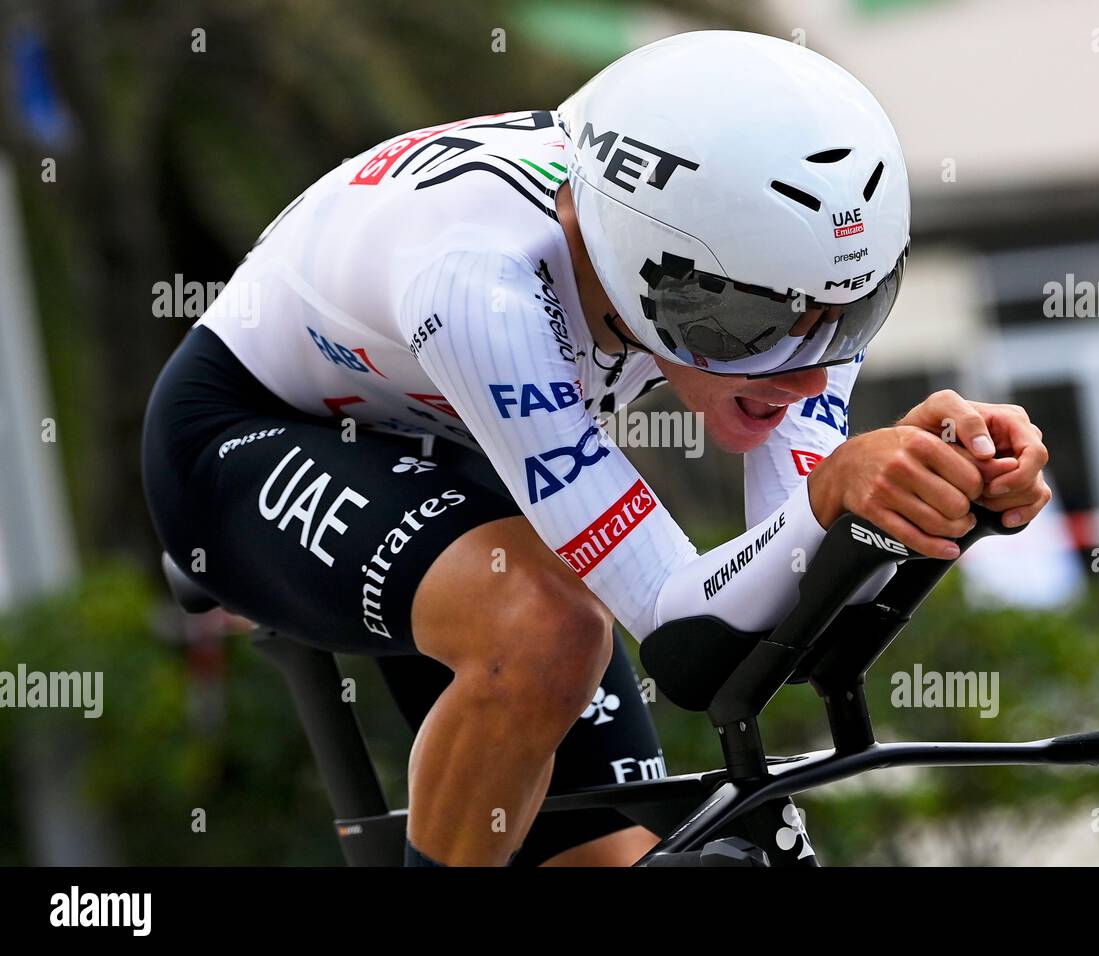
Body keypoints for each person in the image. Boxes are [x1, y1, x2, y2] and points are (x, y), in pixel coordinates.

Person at [141, 30, 1050, 867]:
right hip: (243, 433)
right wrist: (832, 502)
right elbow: (690, 644)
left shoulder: (795, 285)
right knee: (545, 629)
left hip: (453, 450)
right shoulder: (481, 285)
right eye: (748, 323)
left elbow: (790, 607)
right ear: (630, 258)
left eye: (854, 314)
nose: (808, 371)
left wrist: (934, 493)